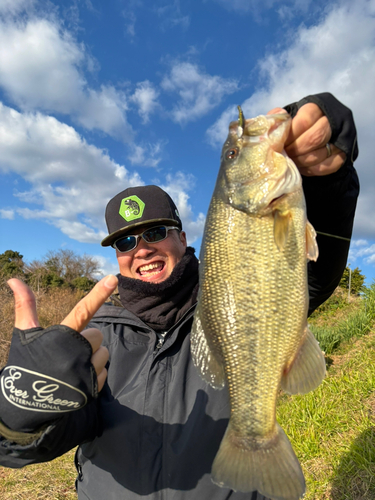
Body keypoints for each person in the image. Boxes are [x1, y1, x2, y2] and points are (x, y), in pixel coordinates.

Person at [0, 93, 359, 500]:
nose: (141, 248)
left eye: (155, 233)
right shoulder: (94, 340)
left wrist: (328, 182)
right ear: (117, 256)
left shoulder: (224, 296)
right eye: (125, 242)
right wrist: (22, 411)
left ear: (182, 237)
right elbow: (30, 448)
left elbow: (311, 273)